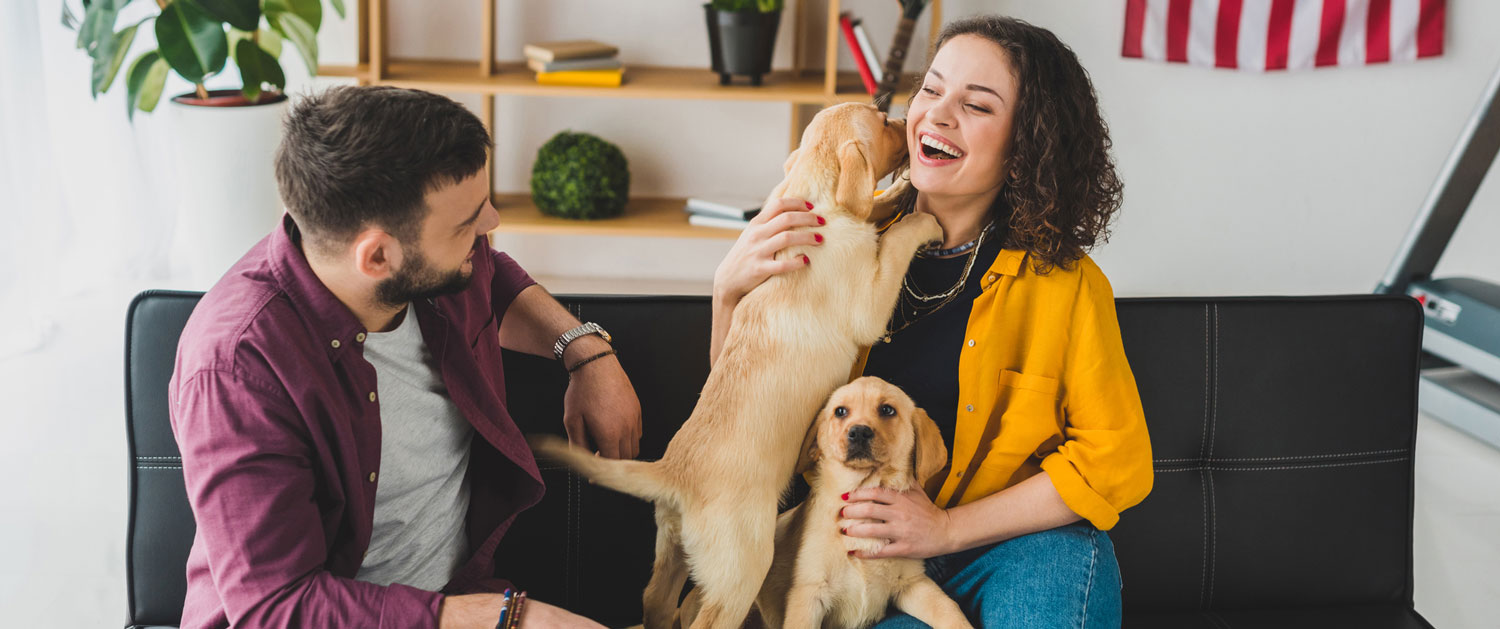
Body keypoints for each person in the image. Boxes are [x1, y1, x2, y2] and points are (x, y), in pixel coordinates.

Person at [710, 16, 1153, 628]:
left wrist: (944, 528)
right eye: (931, 89)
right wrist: (727, 297)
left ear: (1026, 146)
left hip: (1013, 550)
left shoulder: (1068, 286)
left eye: (975, 105)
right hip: (860, 562)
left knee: (1065, 562)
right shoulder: (828, 242)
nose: (936, 116)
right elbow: (757, 429)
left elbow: (1117, 462)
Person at [169, 86, 640, 629]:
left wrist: (585, 352)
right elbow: (277, 609)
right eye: (467, 223)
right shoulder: (236, 370)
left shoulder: (438, 267)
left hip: (460, 597)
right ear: (377, 256)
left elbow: (492, 274)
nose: (491, 224)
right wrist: (506, 618)